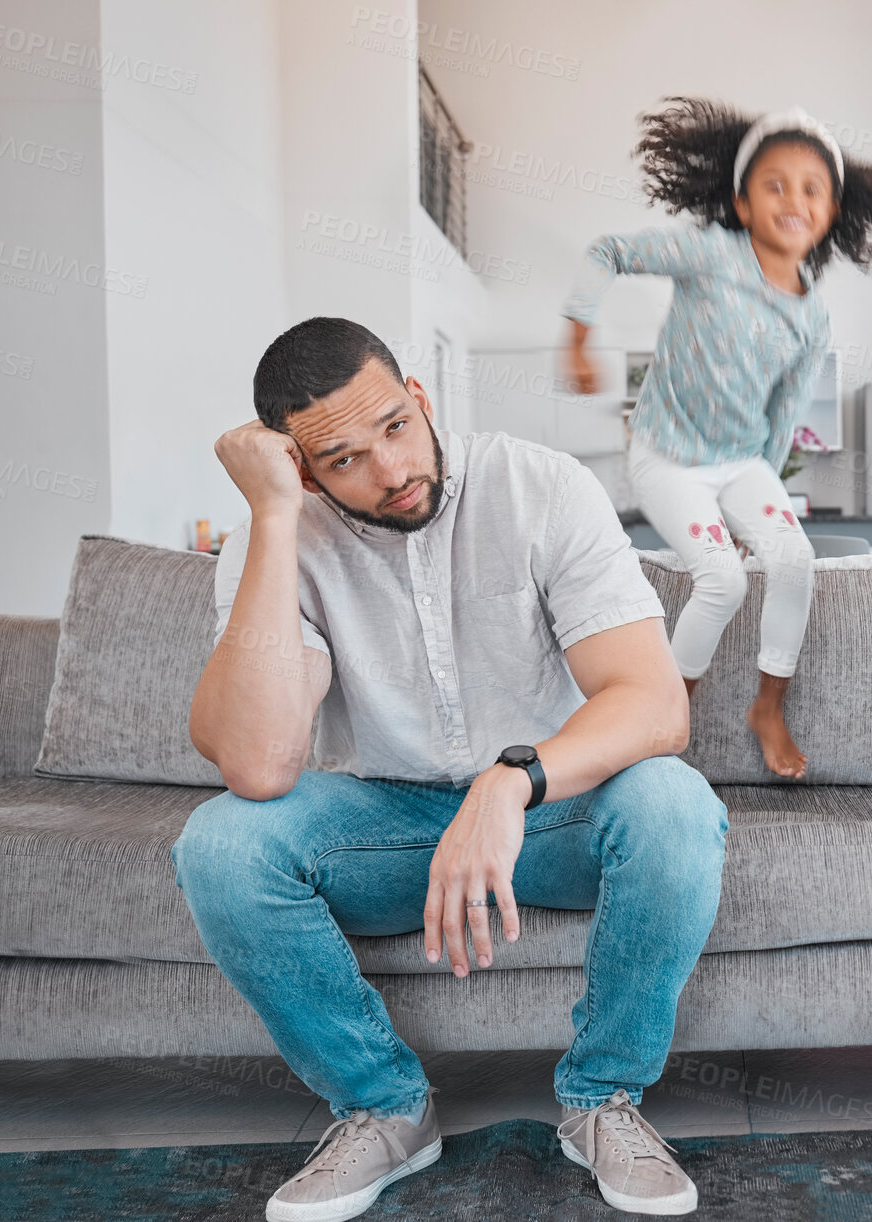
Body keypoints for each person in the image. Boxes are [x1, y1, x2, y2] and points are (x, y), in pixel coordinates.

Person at [174, 317, 728, 1220]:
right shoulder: (273, 542)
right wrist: (274, 518)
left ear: (421, 399)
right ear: (304, 469)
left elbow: (654, 706)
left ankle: (601, 1101)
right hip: (381, 827)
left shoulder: (540, 485)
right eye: (345, 460)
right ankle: (384, 1108)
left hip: (549, 813)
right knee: (223, 845)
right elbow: (259, 763)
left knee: (672, 804)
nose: (391, 473)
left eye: (395, 427)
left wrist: (509, 780)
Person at [561, 96, 872, 780]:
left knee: (793, 560)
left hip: (738, 466)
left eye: (812, 189)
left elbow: (782, 417)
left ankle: (767, 705)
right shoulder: (711, 255)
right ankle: (663, 710)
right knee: (722, 580)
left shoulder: (811, 319)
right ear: (744, 202)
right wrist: (578, 335)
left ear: (831, 213)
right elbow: (607, 250)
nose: (794, 199)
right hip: (666, 457)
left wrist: (750, 506)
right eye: (776, 184)